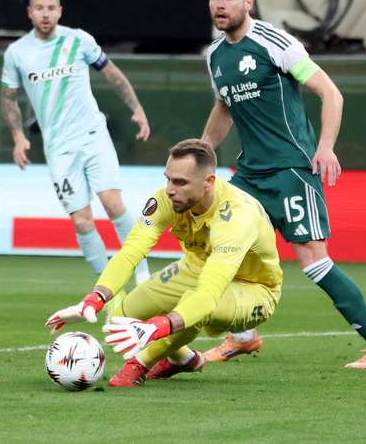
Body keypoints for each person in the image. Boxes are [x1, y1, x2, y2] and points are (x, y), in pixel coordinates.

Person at [201, 0, 366, 368]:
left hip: (291, 168)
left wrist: (325, 148)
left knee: (313, 260)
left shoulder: (273, 42)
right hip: (248, 176)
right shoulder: (215, 56)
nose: (220, 4)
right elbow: (225, 107)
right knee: (224, 247)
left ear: (248, 2)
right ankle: (242, 337)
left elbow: (330, 92)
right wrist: (202, 151)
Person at [46, 139, 282, 388]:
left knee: (199, 308)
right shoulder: (166, 199)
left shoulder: (236, 218)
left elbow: (207, 294)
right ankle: (185, 359)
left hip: (254, 288)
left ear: (209, 182)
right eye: (168, 179)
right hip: (196, 267)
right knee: (120, 319)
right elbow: (131, 251)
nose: (170, 189)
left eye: (180, 182)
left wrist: (158, 326)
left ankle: (140, 364)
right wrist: (95, 298)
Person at [0, 0, 151, 289]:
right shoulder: (17, 53)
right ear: (30, 12)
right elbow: (8, 98)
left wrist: (136, 108)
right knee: (82, 220)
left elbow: (113, 74)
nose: (46, 14)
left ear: (60, 11)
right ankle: (110, 293)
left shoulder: (79, 40)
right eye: (39, 8)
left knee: (112, 203)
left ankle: (143, 276)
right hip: (58, 148)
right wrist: (18, 136)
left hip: (93, 135)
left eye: (51, 8)